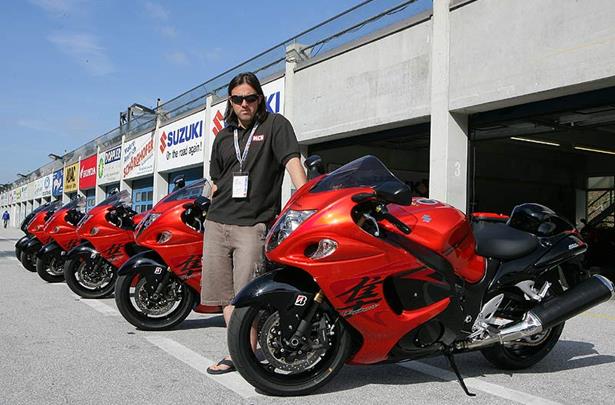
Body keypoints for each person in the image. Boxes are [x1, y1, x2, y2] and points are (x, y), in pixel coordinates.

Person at [201, 72, 307, 374]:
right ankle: (239, 351)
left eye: (249, 97)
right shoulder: (224, 136)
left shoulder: (276, 125)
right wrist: (204, 205)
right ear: (231, 102)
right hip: (217, 222)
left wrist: (306, 198)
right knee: (224, 296)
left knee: (246, 293)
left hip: (252, 225)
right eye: (237, 99)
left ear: (259, 98)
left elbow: (292, 163)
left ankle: (243, 354)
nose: (244, 104)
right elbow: (217, 181)